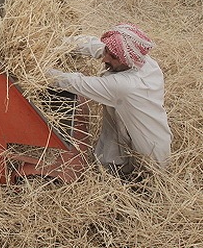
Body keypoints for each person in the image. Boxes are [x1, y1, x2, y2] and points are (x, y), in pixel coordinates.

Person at [48, 23, 172, 176]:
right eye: (107, 51)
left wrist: (37, 68)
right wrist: (54, 41)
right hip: (134, 125)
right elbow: (95, 46)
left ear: (126, 61)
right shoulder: (142, 61)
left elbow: (76, 83)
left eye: (112, 56)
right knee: (114, 135)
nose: (104, 58)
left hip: (148, 159)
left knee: (126, 175)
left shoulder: (126, 86)